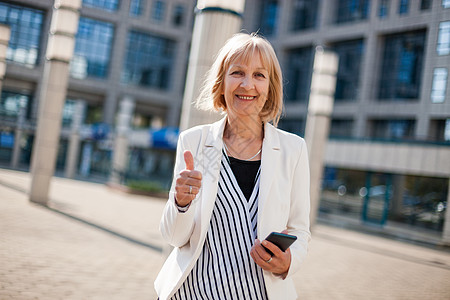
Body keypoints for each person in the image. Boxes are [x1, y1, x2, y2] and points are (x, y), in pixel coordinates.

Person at [154, 33, 311, 300]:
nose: (247, 84)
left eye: (259, 75)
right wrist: (181, 202)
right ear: (222, 82)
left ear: (270, 87)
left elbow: (300, 230)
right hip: (192, 293)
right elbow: (175, 238)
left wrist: (288, 262)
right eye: (237, 72)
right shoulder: (199, 143)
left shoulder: (291, 150)